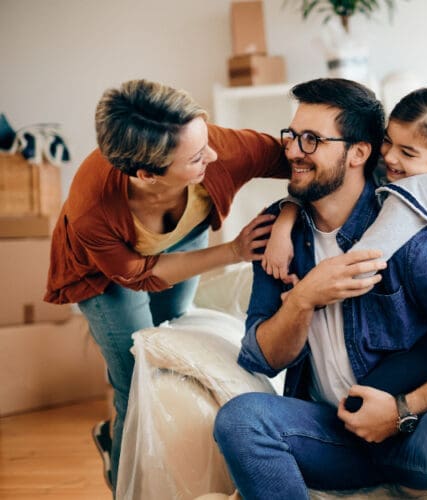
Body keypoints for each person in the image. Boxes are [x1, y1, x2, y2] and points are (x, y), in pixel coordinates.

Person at [213, 78, 427, 499]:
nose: (291, 151)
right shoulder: (278, 238)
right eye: (291, 136)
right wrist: (304, 298)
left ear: (359, 152)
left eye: (311, 140)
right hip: (334, 432)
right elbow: (261, 358)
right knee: (240, 420)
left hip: (414, 429)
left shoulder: (412, 234)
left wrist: (400, 411)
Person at [43, 79, 288, 491]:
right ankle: (124, 474)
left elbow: (304, 164)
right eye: (196, 157)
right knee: (135, 378)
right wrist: (234, 251)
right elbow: (139, 274)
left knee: (173, 325)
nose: (213, 153)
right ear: (145, 174)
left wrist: (290, 215)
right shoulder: (92, 208)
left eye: (206, 137)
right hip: (104, 273)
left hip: (182, 232)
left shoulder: (219, 147)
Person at [262, 85, 427, 301]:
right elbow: (320, 180)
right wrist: (284, 225)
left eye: (407, 153)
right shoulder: (415, 166)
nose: (389, 157)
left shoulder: (422, 191)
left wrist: (303, 296)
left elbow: (364, 260)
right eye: (387, 141)